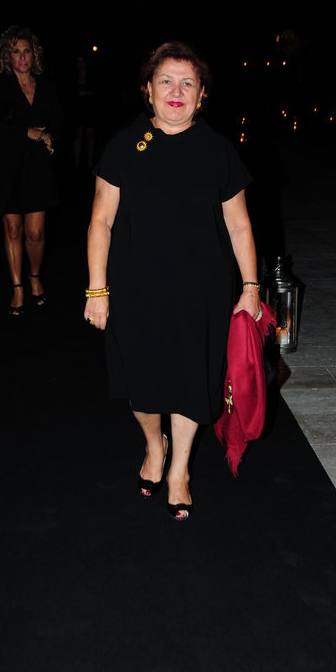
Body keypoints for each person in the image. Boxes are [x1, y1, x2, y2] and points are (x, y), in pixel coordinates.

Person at [84, 40, 261, 521]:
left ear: (202, 94)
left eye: (187, 83)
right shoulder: (125, 145)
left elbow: (239, 226)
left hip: (201, 291)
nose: (176, 91)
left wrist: (250, 288)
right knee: (139, 382)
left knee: (191, 380)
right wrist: (97, 289)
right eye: (166, 81)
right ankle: (153, 444)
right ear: (148, 89)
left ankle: (179, 468)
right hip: (135, 288)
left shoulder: (218, 151)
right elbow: (100, 221)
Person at [0, 25, 64, 315]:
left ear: (34, 54)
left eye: (27, 51)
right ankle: (18, 287)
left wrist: (50, 136)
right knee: (13, 229)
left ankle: (34, 276)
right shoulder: (0, 86)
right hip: (7, 167)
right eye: (16, 52)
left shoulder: (47, 86)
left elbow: (59, 120)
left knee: (36, 232)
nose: (23, 57)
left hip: (38, 166)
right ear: (8, 56)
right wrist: (24, 132)